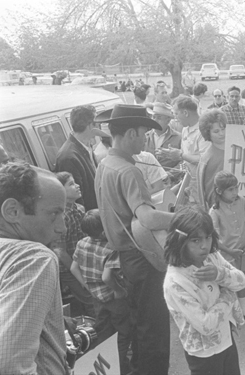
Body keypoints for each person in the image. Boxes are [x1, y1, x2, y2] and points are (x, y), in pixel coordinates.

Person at [94, 104, 175, 375]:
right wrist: (181, 218)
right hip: (141, 256)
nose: (145, 139)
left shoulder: (105, 164)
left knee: (139, 322)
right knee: (154, 329)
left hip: (123, 257)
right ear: (130, 133)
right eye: (143, 133)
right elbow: (148, 219)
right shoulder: (129, 171)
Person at [0, 163, 70, 374]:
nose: (62, 227)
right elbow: (6, 364)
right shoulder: (33, 257)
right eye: (54, 213)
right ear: (13, 211)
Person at [163, 206, 245, 375]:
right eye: (195, 240)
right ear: (180, 241)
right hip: (203, 352)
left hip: (226, 339)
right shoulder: (175, 281)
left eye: (208, 237)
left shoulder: (212, 257)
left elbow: (242, 281)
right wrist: (228, 296)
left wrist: (220, 275)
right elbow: (206, 326)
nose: (204, 246)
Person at [71, 209, 132, 375]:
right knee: (122, 333)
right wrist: (118, 290)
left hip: (96, 297)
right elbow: (107, 277)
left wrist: (88, 286)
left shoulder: (82, 243)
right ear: (105, 230)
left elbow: (74, 267)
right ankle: (121, 367)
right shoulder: (111, 248)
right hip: (113, 297)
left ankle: (107, 367)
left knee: (104, 332)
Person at [210, 171, 245, 324]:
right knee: (229, 282)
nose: (235, 192)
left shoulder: (241, 201)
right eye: (230, 190)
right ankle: (232, 310)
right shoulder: (215, 211)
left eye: (236, 188)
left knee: (241, 279)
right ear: (219, 191)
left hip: (243, 250)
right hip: (227, 254)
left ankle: (244, 310)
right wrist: (229, 251)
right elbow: (212, 237)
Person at [53, 172, 96, 317]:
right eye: (71, 184)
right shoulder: (62, 216)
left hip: (84, 264)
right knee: (90, 300)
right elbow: (60, 251)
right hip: (69, 268)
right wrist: (79, 274)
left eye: (75, 182)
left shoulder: (80, 208)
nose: (77, 186)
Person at [55, 105, 99, 210]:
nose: (99, 126)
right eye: (97, 123)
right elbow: (77, 200)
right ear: (90, 126)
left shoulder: (86, 146)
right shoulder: (69, 158)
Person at [167, 95, 210, 200]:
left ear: (185, 113)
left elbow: (205, 160)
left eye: (176, 113)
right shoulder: (185, 130)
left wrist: (181, 155)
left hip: (203, 185)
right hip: (189, 183)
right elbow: (186, 157)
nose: (175, 118)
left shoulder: (204, 130)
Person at [194, 109, 227, 209]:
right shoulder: (207, 158)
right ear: (208, 133)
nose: (221, 133)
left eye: (223, 128)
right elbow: (209, 191)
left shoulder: (237, 148)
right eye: (216, 131)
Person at [145, 102, 182, 170]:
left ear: (168, 120)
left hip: (171, 179)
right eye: (153, 117)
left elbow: (183, 162)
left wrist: (171, 175)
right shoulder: (145, 137)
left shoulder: (178, 138)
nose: (155, 120)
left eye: (159, 118)